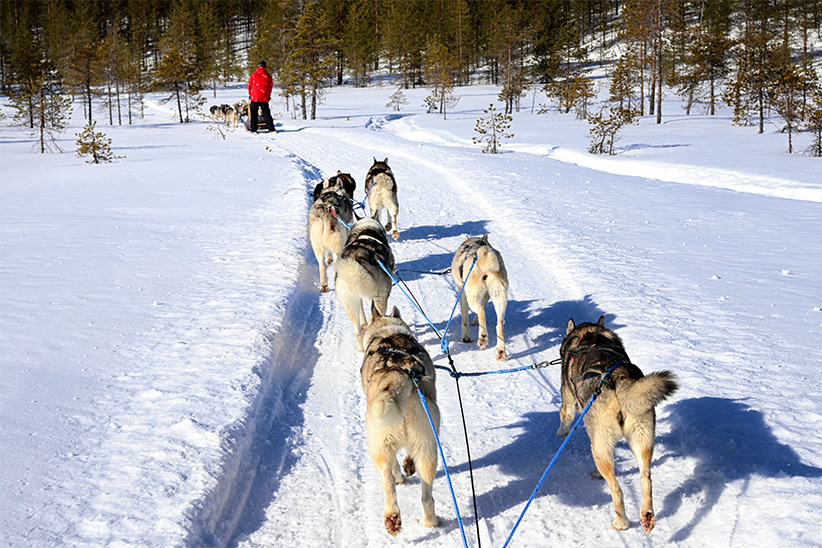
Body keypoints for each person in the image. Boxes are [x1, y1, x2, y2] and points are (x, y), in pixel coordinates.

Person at [247, 61, 276, 133]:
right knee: (266, 113)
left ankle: (253, 129)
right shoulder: (268, 76)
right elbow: (270, 87)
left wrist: (251, 95)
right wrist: (268, 96)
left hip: (254, 97)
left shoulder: (253, 75)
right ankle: (271, 129)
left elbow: (249, 86)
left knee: (253, 113)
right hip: (264, 97)